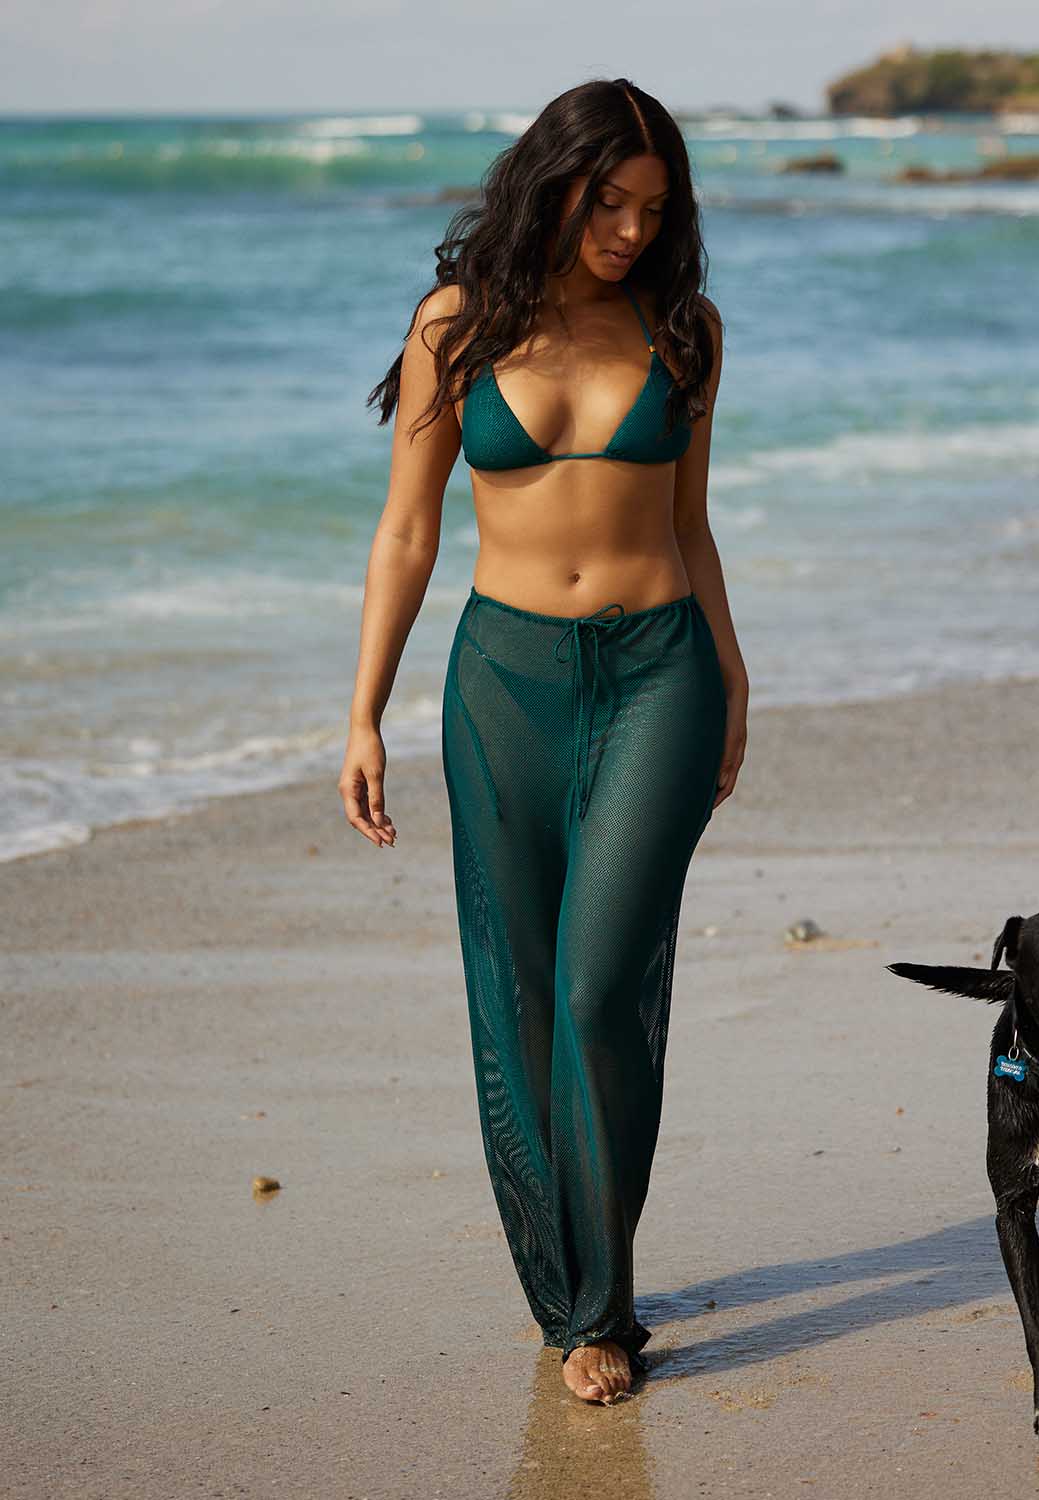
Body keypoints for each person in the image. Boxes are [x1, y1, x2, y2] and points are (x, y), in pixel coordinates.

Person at [341, 78, 748, 1405]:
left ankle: (604, 1307)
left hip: (658, 680)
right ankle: (569, 1294)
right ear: (551, 182)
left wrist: (731, 676)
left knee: (595, 989)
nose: (631, 231)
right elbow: (407, 529)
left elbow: (690, 527)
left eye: (653, 209)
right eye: (608, 201)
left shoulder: (682, 331)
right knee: (517, 991)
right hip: (502, 686)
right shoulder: (455, 325)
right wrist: (363, 711)